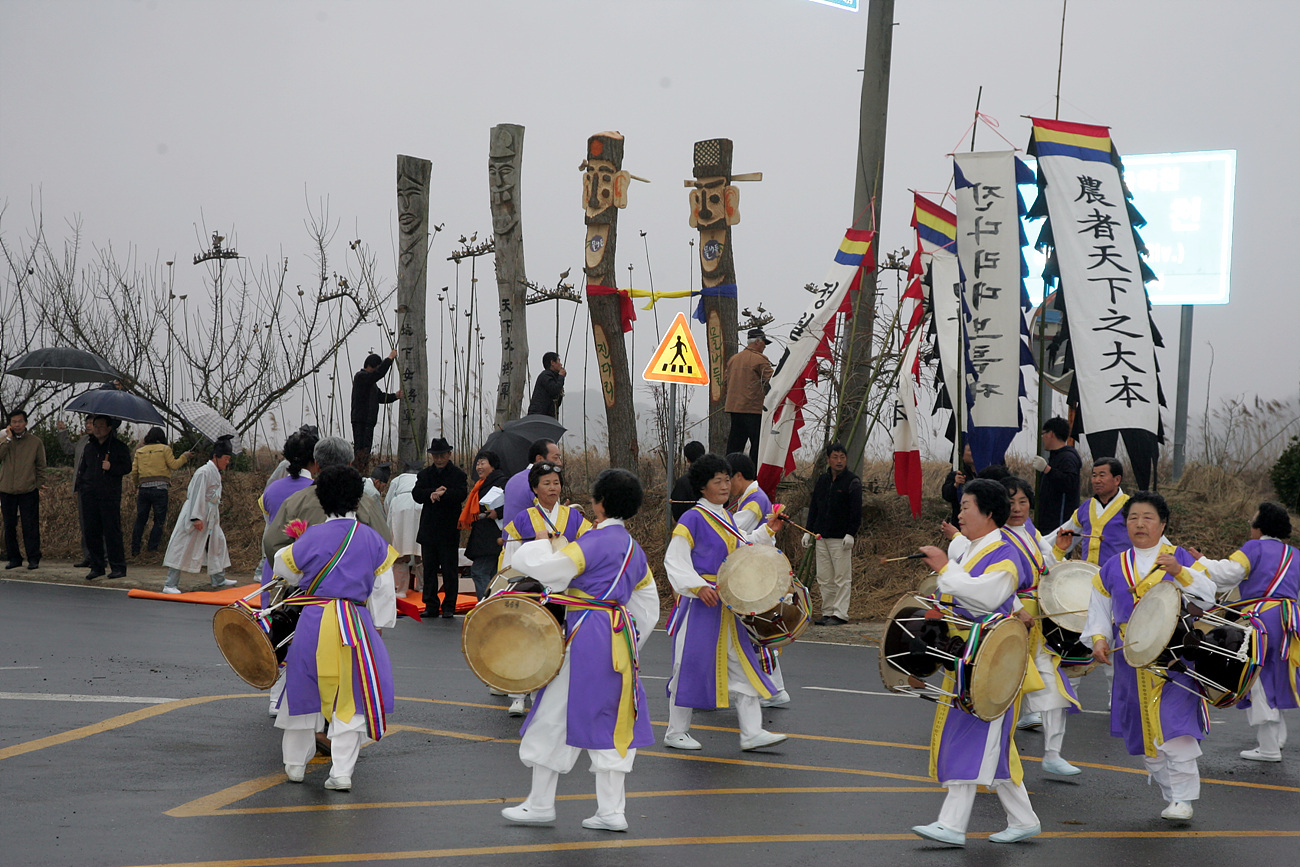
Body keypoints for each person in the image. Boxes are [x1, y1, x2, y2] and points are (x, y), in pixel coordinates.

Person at [500, 468, 659, 831]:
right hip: (619, 636)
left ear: (598, 503)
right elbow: (648, 606)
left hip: (586, 631)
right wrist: (632, 639)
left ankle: (540, 803)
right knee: (614, 718)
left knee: (553, 713)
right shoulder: (634, 550)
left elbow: (548, 571)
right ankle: (611, 810)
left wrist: (537, 543)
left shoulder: (591, 542)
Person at [911, 479, 1041, 847]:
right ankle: (1023, 819)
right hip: (970, 658)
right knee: (992, 745)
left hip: (991, 664)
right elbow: (1000, 596)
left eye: (967, 506)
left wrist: (944, 569)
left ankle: (952, 824)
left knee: (970, 737)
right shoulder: (971, 549)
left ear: (988, 513)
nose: (960, 513)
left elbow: (988, 596)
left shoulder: (1003, 551)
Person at [1082, 491, 1215, 821]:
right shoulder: (1111, 568)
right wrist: (1098, 639)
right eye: (1133, 518)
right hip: (1131, 660)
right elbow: (1098, 610)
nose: (1139, 524)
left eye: (1148, 518)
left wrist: (1181, 570)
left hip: (1175, 659)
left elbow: (1209, 597)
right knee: (1142, 734)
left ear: (1163, 523)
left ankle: (1184, 799)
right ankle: (1171, 796)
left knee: (1176, 726)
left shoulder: (1179, 556)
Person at [271, 464, 398, 792]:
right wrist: (380, 624)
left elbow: (285, 570)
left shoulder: (311, 536)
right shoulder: (373, 539)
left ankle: (295, 765)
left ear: (321, 497)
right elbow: (383, 589)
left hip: (314, 620)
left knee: (302, 687)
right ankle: (341, 771)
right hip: (354, 624)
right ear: (359, 498)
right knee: (351, 695)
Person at [663, 453, 788, 752]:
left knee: (742, 664)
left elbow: (745, 545)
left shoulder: (726, 517)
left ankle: (751, 731)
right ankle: (674, 731)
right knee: (688, 664)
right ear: (702, 487)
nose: (724, 486)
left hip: (727, 605)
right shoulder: (693, 517)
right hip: (701, 605)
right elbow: (674, 559)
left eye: (726, 480)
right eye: (716, 481)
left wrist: (769, 529)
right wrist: (695, 586)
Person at [1192, 502, 1300, 762]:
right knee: (1277, 675)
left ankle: (1269, 748)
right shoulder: (1295, 554)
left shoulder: (1255, 547)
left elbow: (1228, 574)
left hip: (1261, 619)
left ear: (1260, 526)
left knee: (1258, 679)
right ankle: (1278, 739)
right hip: (1289, 620)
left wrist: (1201, 562)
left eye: (1253, 521)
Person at [1000, 476, 1082, 774]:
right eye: (1010, 502)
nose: (1017, 508)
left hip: (1038, 625)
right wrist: (1017, 608)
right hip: (1009, 623)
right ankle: (995, 758)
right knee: (1003, 692)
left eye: (1023, 501)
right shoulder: (996, 537)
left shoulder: (1030, 531)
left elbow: (1046, 568)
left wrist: (1059, 551)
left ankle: (1052, 753)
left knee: (1053, 687)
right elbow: (995, 583)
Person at [500, 461, 593, 716]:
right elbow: (511, 556)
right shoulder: (523, 519)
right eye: (547, 483)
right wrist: (509, 587)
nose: (553, 488)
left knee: (557, 640)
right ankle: (518, 694)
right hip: (532, 588)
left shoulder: (574, 517)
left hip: (564, 590)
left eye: (556, 483)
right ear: (535, 489)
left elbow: (588, 549)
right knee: (524, 638)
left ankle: (549, 692)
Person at [727, 452, 791, 709]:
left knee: (755, 630)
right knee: (754, 630)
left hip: (755, 572)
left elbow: (735, 532)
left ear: (738, 476)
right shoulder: (752, 497)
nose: (725, 485)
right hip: (755, 569)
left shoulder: (754, 501)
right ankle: (768, 688)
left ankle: (772, 689)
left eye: (726, 479)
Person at [264, 437, 393, 563]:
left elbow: (273, 544)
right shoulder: (366, 503)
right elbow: (384, 544)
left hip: (309, 582)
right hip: (356, 582)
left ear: (317, 465)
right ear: (349, 464)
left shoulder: (295, 502)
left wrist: (296, 572)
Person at [162, 439, 236, 593]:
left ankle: (218, 578)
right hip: (196, 511)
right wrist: (196, 518)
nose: (227, 462)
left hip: (210, 514)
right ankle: (170, 584)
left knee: (217, 543)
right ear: (216, 456)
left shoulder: (213, 472)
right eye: (226, 458)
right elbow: (197, 495)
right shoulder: (203, 472)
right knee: (182, 545)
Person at [805, 442, 862, 626]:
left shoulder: (852, 481)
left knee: (841, 578)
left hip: (841, 538)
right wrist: (809, 530)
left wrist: (851, 533)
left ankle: (840, 613)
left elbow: (856, 511)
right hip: (821, 536)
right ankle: (828, 611)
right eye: (835, 457)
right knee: (824, 577)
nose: (839, 461)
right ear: (828, 459)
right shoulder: (822, 480)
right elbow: (814, 507)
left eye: (842, 457)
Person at [412, 437, 468, 618]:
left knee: (449, 569)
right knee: (429, 569)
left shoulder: (458, 474)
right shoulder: (425, 474)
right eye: (435, 455)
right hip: (429, 529)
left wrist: (445, 494)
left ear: (449, 454)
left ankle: (449, 605)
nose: (439, 459)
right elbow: (416, 494)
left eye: (442, 455)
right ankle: (430, 604)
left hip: (449, 530)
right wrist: (431, 493)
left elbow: (461, 494)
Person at [1047, 458, 1131, 566]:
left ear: (1117, 480)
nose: (1096, 480)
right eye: (1094, 475)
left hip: (1118, 575)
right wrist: (1036, 543)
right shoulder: (1086, 507)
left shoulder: (1131, 508)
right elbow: (1062, 534)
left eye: (1102, 475)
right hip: (1087, 576)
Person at [78, 415, 131, 580]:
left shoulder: (118, 447)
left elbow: (127, 467)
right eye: (95, 425)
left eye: (101, 425)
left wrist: (112, 467)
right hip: (89, 495)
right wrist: (83, 486)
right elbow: (83, 469)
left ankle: (118, 567)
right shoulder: (89, 447)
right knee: (91, 531)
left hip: (109, 495)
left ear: (109, 428)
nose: (98, 428)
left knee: (112, 531)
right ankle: (97, 566)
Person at [129, 427, 192, 556]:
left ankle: (135, 549)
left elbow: (134, 472)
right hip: (160, 490)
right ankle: (152, 548)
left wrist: (136, 485)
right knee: (159, 520)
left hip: (143, 490)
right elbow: (174, 465)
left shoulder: (140, 451)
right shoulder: (165, 449)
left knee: (141, 519)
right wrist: (184, 456)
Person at [460, 449, 509, 600]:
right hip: (483, 535)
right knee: (493, 573)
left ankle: (486, 605)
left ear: (493, 466)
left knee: (479, 572)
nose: (479, 467)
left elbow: (511, 504)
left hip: (492, 536)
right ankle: (493, 604)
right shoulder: (480, 485)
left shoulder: (502, 482)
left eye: (483, 463)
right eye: (478, 463)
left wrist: (498, 512)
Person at [0, 410, 46, 570]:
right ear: (10, 424)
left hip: (28, 489)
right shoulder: (4, 440)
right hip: (7, 489)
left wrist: (39, 484)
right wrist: (7, 440)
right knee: (9, 525)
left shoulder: (35, 442)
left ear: (26, 423)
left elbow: (41, 465)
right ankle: (14, 558)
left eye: (20, 421)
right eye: (14, 422)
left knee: (30, 525)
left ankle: (33, 558)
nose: (17, 425)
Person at [723, 328, 774, 463]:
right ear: (757, 341)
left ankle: (730, 474)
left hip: (735, 409)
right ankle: (753, 477)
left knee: (734, 447)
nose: (764, 346)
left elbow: (725, 383)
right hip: (753, 410)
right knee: (757, 447)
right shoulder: (760, 360)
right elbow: (773, 381)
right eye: (764, 343)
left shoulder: (733, 359)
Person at [350, 349, 402, 470]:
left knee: (365, 450)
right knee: (360, 450)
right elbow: (378, 374)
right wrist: (389, 358)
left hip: (368, 421)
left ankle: (362, 470)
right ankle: (359, 472)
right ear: (371, 366)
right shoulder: (361, 377)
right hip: (361, 420)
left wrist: (395, 396)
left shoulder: (370, 383)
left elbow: (380, 397)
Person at [57, 417, 98, 567]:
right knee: (85, 523)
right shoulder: (83, 440)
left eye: (92, 423)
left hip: (98, 488)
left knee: (99, 524)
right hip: (82, 487)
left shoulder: (104, 442)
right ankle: (88, 555)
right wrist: (62, 432)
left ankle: (101, 556)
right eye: (87, 423)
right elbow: (68, 449)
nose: (88, 426)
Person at [1033, 417, 1082, 530]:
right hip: (1047, 521)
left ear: (1051, 434)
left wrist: (1047, 470)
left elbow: (1069, 483)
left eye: (1043, 433)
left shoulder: (1067, 457)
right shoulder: (1055, 456)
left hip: (1059, 523)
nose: (1042, 437)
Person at [385, 462, 424, 596]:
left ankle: (400, 589)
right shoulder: (423, 477)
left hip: (400, 508)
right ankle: (422, 587)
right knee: (421, 551)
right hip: (421, 507)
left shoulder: (398, 479)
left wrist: (389, 519)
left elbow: (388, 501)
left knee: (400, 551)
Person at [503, 438, 561, 524]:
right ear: (540, 459)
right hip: (532, 535)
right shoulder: (537, 481)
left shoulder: (513, 479)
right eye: (555, 458)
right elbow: (550, 518)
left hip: (510, 535)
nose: (559, 463)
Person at [670, 441, 706, 523]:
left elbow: (677, 510)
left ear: (687, 459)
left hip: (689, 526)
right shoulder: (714, 478)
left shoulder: (683, 482)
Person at [941, 443, 976, 525]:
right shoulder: (957, 472)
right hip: (960, 523)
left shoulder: (986, 471)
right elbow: (946, 495)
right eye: (970, 450)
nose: (973, 453)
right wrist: (955, 485)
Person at [526, 351, 566, 417]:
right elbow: (554, 390)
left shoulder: (553, 377)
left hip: (546, 415)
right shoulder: (546, 376)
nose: (561, 364)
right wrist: (561, 377)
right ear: (552, 363)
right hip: (539, 415)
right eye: (559, 361)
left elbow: (556, 401)